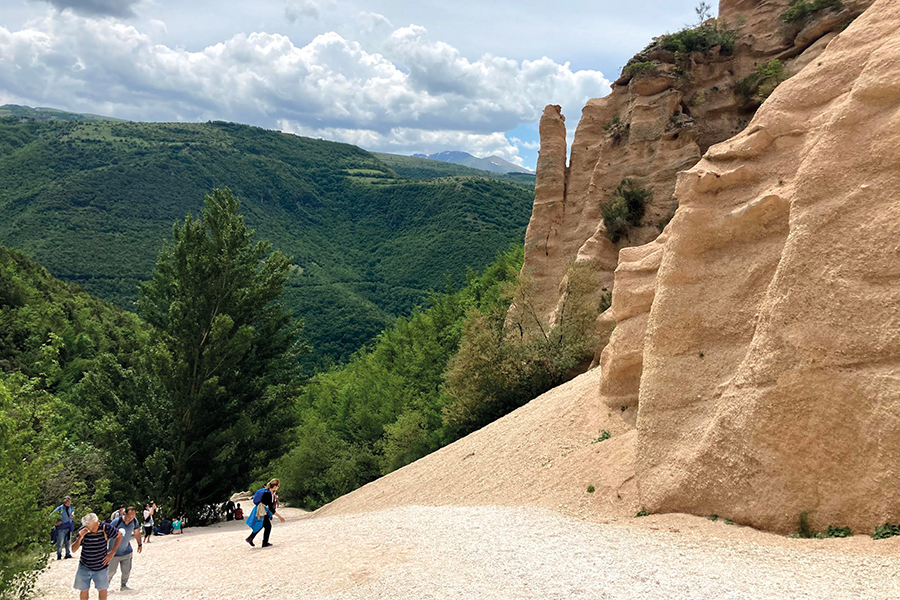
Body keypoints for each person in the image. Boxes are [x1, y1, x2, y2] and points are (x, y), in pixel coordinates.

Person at [71, 513, 122, 600]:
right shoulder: (83, 530)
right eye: (89, 528)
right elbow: (73, 549)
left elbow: (119, 535)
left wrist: (112, 552)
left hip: (101, 566)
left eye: (93, 528)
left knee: (102, 590)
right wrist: (80, 537)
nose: (91, 530)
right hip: (84, 565)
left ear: (97, 522)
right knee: (83, 590)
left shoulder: (106, 528)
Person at [107, 507, 143, 592]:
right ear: (124, 514)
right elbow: (106, 534)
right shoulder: (117, 521)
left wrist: (140, 544)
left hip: (127, 551)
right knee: (110, 571)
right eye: (129, 517)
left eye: (132, 517)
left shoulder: (134, 521)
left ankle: (123, 585)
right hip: (114, 552)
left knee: (126, 570)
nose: (130, 519)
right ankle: (105, 587)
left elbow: (137, 532)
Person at [245, 478, 285, 548]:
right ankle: (264, 542)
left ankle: (251, 538)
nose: (278, 487)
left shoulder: (269, 492)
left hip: (261, 510)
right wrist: (280, 517)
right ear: (275, 486)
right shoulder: (268, 494)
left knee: (264, 525)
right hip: (261, 510)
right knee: (267, 526)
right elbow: (271, 508)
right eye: (278, 486)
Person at [50, 496, 75, 560]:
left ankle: (67, 554)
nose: (69, 503)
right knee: (60, 542)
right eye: (68, 501)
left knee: (68, 541)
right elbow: (51, 516)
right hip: (61, 527)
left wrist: (72, 515)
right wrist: (55, 523)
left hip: (69, 526)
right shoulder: (60, 508)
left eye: (70, 501)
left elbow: (72, 512)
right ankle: (59, 555)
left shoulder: (70, 507)